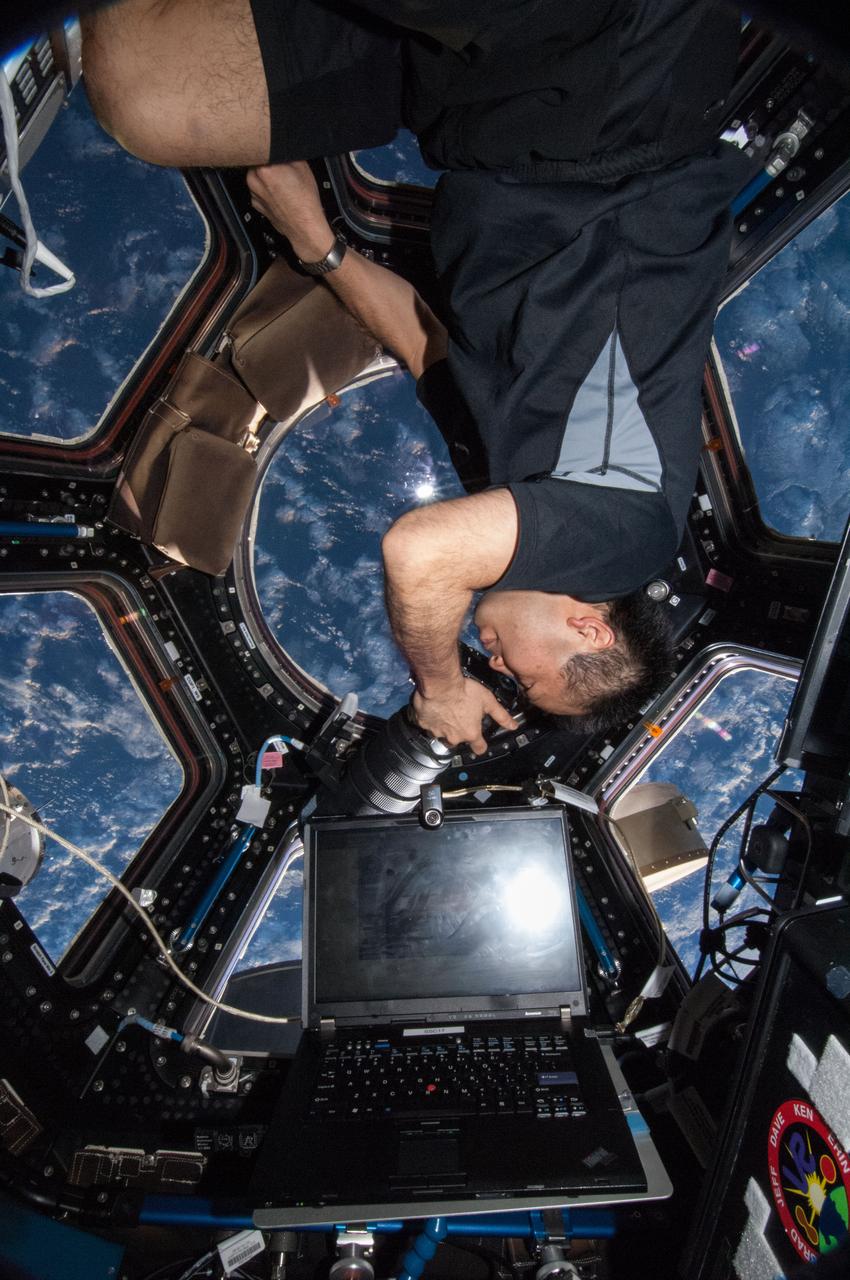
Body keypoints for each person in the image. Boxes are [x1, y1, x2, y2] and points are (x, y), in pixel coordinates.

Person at [81, 0, 754, 754]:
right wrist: (440, 690)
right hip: (607, 89)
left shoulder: (530, 477)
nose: (493, 666)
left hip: (479, 126)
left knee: (141, 90)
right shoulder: (630, 537)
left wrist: (317, 245)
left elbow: (421, 343)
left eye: (494, 676)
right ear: (588, 627)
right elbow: (420, 553)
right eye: (523, 678)